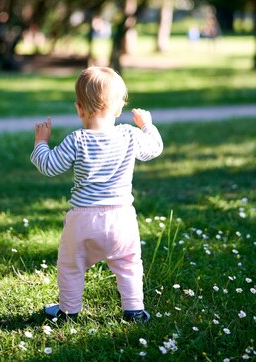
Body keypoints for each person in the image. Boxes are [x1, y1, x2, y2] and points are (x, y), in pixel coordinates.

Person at [30, 66, 163, 323]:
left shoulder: (77, 140)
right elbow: (155, 148)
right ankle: (134, 310)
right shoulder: (129, 135)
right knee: (128, 264)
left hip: (83, 219)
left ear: (79, 108)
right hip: (121, 219)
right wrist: (147, 125)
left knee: (71, 265)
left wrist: (41, 142)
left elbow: (48, 166)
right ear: (118, 109)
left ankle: (69, 311)